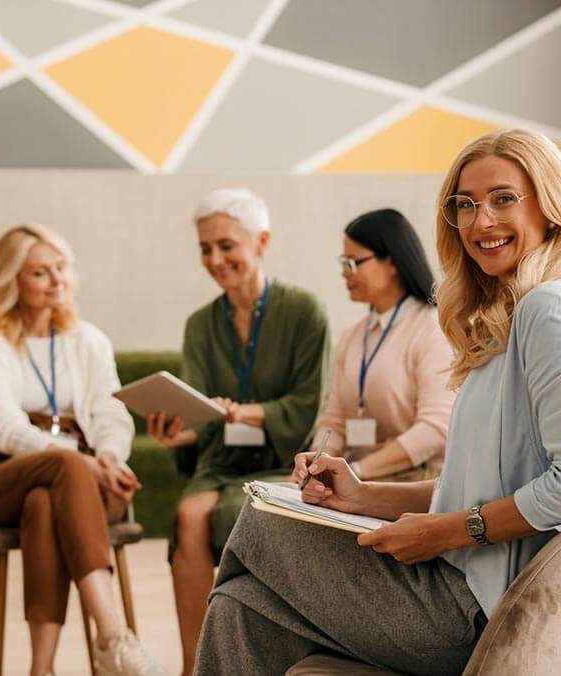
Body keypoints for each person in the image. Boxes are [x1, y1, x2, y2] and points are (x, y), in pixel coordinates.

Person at [194, 129, 561, 676]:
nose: (480, 222)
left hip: (477, 610)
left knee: (260, 522)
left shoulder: (551, 310)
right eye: (465, 205)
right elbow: (489, 484)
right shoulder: (529, 309)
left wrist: (442, 532)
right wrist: (360, 495)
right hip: (469, 588)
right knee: (241, 607)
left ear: (551, 206)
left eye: (503, 199)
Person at [0, 224, 164, 676]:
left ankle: (41, 668)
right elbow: (1, 423)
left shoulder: (88, 339)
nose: (57, 281)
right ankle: (112, 635)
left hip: (82, 481)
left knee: (44, 503)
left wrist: (108, 457)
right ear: (11, 279)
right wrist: (78, 461)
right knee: (59, 468)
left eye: (61, 269)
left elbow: (111, 414)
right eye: (40, 273)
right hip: (2, 475)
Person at [147, 188, 330, 675]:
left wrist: (242, 413)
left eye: (226, 245)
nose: (214, 259)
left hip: (282, 463)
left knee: (235, 512)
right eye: (205, 248)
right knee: (189, 515)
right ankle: (195, 666)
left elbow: (306, 405)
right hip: (221, 464)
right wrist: (178, 435)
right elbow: (202, 422)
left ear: (261, 241)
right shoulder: (199, 326)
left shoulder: (306, 312)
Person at [313, 208, 453, 481]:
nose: (344, 273)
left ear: (392, 262)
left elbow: (436, 428)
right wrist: (316, 464)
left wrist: (358, 471)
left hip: (417, 481)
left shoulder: (432, 328)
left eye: (353, 263)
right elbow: (335, 422)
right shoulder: (353, 336)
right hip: (358, 479)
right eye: (343, 263)